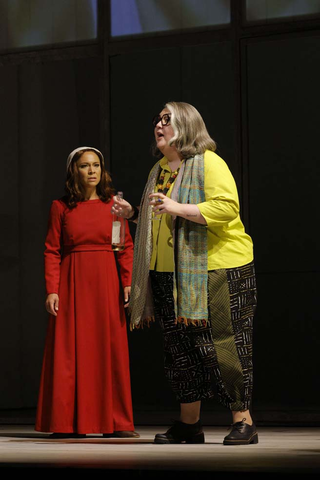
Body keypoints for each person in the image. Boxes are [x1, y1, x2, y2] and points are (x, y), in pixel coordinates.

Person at [112, 102, 258, 445]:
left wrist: (177, 207)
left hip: (217, 268)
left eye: (167, 119)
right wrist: (135, 213)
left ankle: (243, 420)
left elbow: (226, 208)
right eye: (156, 120)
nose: (158, 125)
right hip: (167, 273)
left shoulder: (209, 163)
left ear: (187, 125)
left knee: (223, 344)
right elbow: (160, 219)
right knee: (179, 351)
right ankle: (189, 424)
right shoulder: (159, 170)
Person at [35, 146, 139, 438]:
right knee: (69, 352)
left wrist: (128, 281)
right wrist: (52, 289)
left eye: (96, 165)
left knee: (109, 350)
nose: (92, 170)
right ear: (74, 171)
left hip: (106, 283)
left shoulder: (114, 205)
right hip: (72, 283)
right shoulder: (61, 207)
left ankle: (116, 422)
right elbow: (52, 250)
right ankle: (66, 422)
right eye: (85, 166)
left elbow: (124, 247)